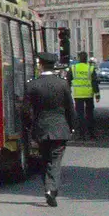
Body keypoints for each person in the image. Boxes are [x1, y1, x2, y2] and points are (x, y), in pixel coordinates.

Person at [25, 52, 77, 206]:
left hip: (41, 128)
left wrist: (30, 125)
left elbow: (26, 110)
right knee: (55, 160)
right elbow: (70, 107)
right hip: (60, 128)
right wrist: (72, 126)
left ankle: (48, 187)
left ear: (40, 65)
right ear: (53, 65)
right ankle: (51, 189)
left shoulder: (32, 85)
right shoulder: (62, 84)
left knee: (44, 159)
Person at [71, 51, 98, 140]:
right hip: (89, 94)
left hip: (78, 95)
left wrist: (66, 93)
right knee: (90, 114)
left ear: (78, 58)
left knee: (80, 115)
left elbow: (67, 81)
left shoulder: (73, 68)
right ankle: (91, 134)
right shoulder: (90, 68)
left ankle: (81, 134)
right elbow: (94, 82)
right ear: (86, 59)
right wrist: (97, 94)